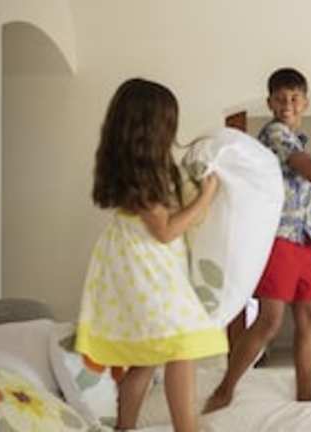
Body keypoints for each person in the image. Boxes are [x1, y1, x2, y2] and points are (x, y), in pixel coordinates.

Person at [74, 78, 228, 432]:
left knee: (150, 355)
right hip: (144, 264)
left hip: (143, 261)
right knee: (181, 345)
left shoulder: (139, 166)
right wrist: (207, 197)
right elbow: (165, 230)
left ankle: (124, 427)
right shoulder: (142, 171)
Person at [203, 68, 311, 412]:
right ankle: (224, 390)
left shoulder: (300, 142)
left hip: (304, 240)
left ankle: (305, 396)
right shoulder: (275, 134)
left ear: (305, 103)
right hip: (279, 238)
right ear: (270, 103)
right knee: (270, 319)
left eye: (295, 98)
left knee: (309, 315)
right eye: (281, 98)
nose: (288, 104)